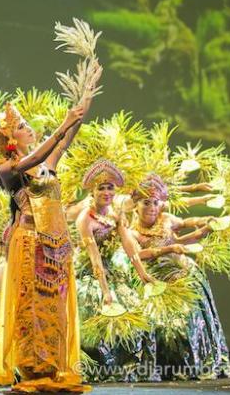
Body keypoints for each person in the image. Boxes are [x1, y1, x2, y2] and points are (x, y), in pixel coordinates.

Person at [0, 61, 101, 392]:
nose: (29, 128)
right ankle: (32, 369)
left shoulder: (47, 165)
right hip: (29, 242)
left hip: (55, 244)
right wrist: (62, 124)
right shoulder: (6, 169)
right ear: (9, 137)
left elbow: (70, 132)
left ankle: (53, 368)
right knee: (31, 306)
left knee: (53, 306)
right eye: (22, 126)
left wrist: (87, 91)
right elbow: (35, 157)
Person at [130, 174, 230, 380]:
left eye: (155, 202)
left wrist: (204, 223)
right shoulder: (131, 233)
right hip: (156, 279)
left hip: (182, 273)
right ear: (135, 206)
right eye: (146, 202)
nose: (151, 207)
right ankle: (169, 366)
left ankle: (197, 362)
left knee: (192, 317)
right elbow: (138, 255)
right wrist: (168, 249)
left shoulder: (166, 219)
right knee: (164, 325)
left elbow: (186, 222)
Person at [73, 159, 160, 382]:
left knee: (136, 314)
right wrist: (105, 291)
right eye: (101, 188)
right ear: (92, 191)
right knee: (99, 319)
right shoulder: (85, 219)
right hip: (90, 274)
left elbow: (129, 245)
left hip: (112, 270)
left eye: (110, 187)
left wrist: (143, 274)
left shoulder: (115, 213)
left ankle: (132, 368)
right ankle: (100, 369)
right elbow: (94, 259)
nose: (106, 192)